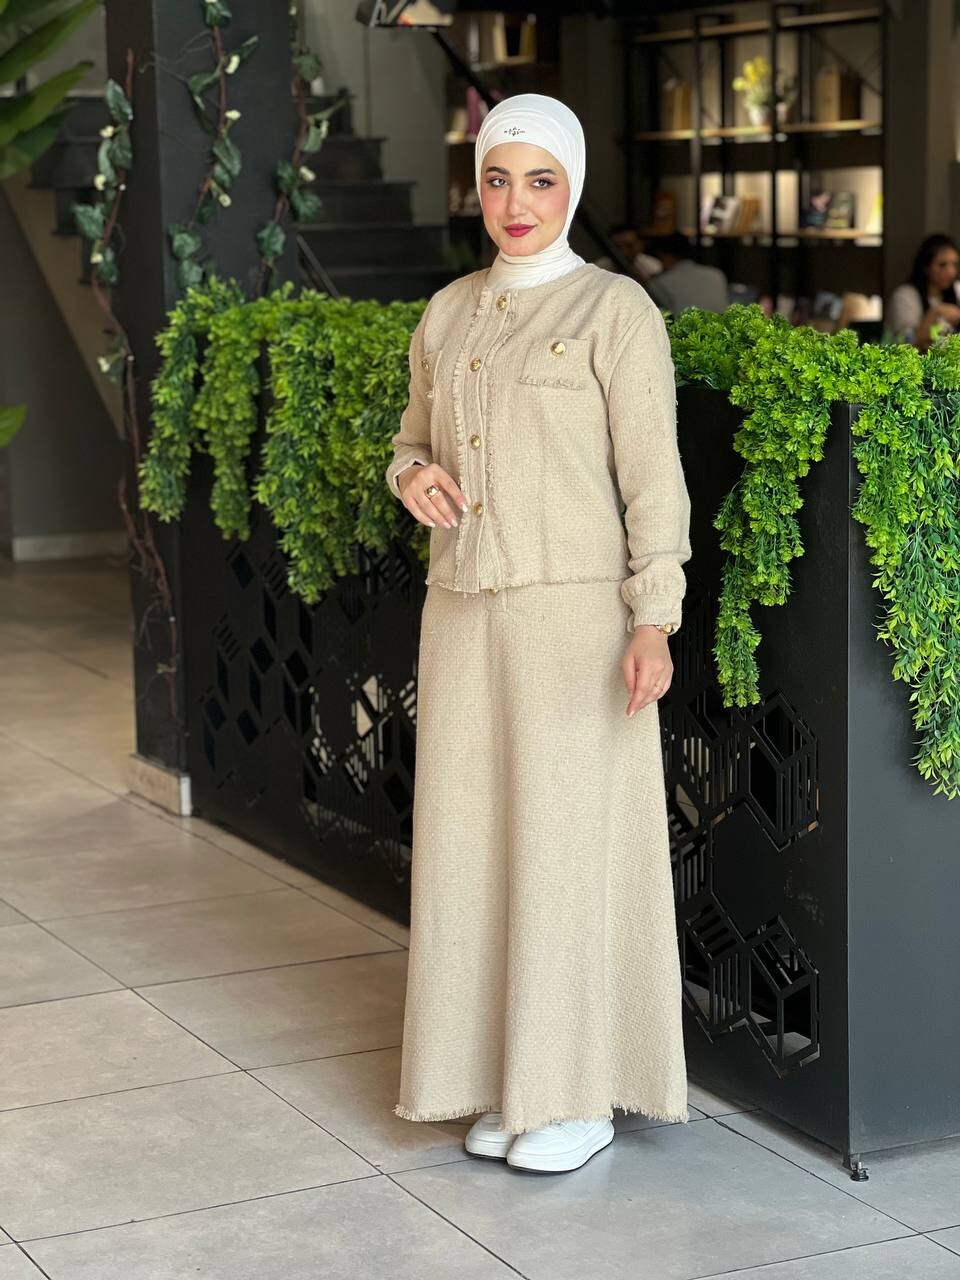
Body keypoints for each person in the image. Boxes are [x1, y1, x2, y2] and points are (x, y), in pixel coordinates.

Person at [385, 92, 692, 1175]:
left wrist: (654, 617)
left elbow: (654, 480)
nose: (517, 203)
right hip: (462, 613)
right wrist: (411, 474)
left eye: (541, 180)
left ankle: (572, 1094)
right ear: (478, 188)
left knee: (564, 851)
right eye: (498, 179)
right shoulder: (447, 312)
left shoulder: (616, 311)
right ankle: (498, 1079)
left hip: (575, 622)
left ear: (574, 188)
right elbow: (412, 437)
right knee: (471, 847)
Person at [885, 233, 960, 350]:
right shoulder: (905, 297)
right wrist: (935, 313)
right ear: (926, 267)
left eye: (954, 264)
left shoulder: (957, 289)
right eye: (942, 265)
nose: (951, 272)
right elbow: (906, 344)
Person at [644, 232, 729, 314]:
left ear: (665, 256)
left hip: (685, 323)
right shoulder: (716, 274)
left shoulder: (659, 282)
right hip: (722, 323)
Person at [594, 223, 663, 284]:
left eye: (629, 246)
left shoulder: (653, 267)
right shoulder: (598, 269)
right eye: (617, 247)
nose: (623, 252)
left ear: (640, 244)